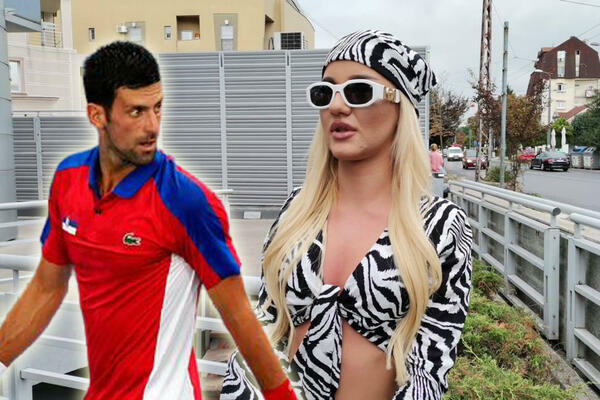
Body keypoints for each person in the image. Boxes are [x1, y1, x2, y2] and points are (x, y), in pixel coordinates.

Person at [0, 41, 296, 400]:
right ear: (97, 115)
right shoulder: (67, 179)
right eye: (136, 111)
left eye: (157, 108)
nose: (153, 126)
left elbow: (239, 316)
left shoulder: (186, 200)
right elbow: (46, 288)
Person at [221, 30, 473, 400]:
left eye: (358, 91)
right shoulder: (297, 209)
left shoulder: (438, 226)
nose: (337, 107)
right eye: (325, 93)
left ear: (400, 105)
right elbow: (268, 323)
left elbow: (430, 367)